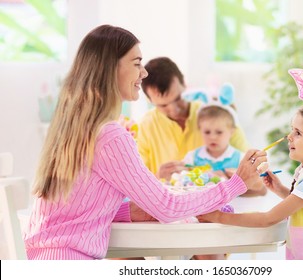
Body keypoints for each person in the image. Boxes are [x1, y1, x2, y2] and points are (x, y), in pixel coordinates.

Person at [23, 24, 268, 260]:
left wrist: (129, 211)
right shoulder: (110, 135)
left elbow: (74, 209)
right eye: (137, 63)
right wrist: (235, 184)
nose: (144, 73)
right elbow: (167, 206)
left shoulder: (74, 126)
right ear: (110, 69)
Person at [198, 68, 303, 260]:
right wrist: (279, 188)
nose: (289, 137)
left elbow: (267, 219)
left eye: (298, 133)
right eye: (291, 130)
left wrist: (219, 217)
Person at [138, 57, 252, 182]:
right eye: (163, 105)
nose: (174, 110)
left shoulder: (214, 112)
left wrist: (227, 177)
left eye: (178, 99)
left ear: (184, 84)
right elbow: (137, 182)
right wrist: (157, 176)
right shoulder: (147, 124)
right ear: (150, 100)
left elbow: (252, 171)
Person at [183, 100, 267, 196]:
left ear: (232, 132)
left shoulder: (241, 159)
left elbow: (260, 186)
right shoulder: (192, 158)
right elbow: (181, 181)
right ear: (200, 130)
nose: (212, 137)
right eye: (207, 132)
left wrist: (239, 178)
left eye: (219, 132)